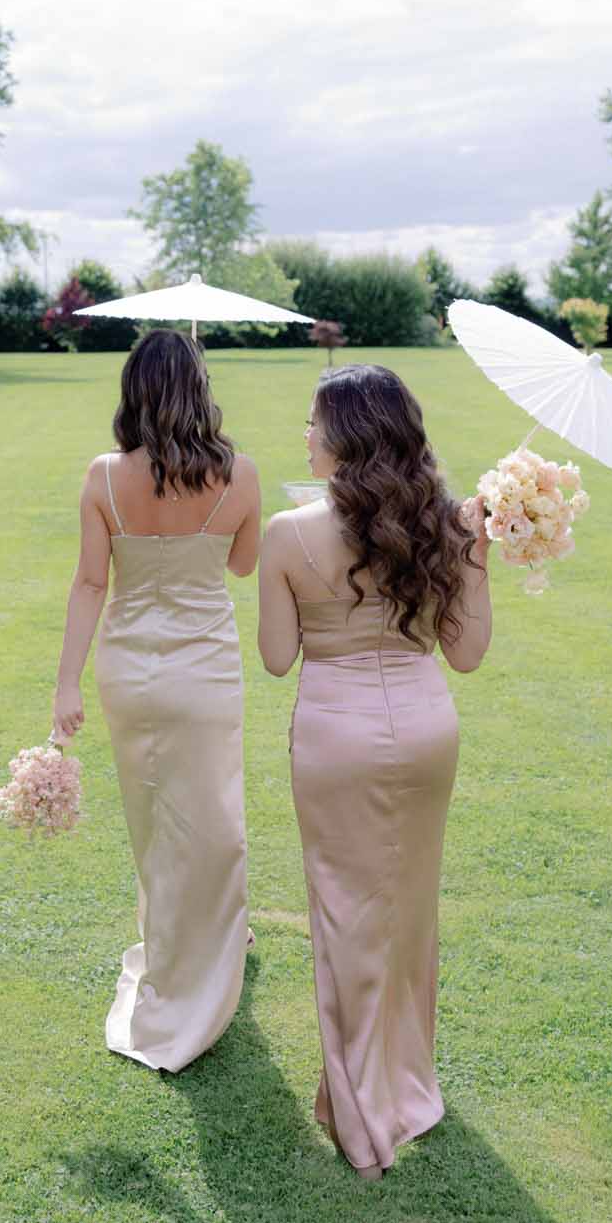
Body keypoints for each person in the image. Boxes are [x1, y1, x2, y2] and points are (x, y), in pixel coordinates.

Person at [257, 364, 491, 1179]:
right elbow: (466, 654)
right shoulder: (448, 527)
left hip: (335, 737)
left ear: (349, 436)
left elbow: (278, 659)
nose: (307, 437)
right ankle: (405, 1083)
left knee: (344, 916)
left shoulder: (288, 533)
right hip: (427, 730)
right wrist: (478, 553)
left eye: (315, 424)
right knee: (410, 912)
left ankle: (357, 1104)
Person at [53, 329, 261, 1072]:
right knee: (212, 819)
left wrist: (65, 684)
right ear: (200, 389)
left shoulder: (105, 476)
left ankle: (179, 949)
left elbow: (88, 584)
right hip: (204, 669)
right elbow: (242, 566)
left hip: (130, 671)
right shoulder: (241, 473)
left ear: (134, 390)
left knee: (154, 823)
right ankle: (207, 954)